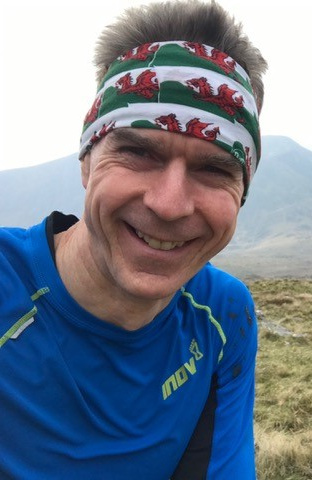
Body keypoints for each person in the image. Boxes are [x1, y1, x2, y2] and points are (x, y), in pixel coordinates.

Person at [0, 1, 267, 478]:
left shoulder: (224, 314)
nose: (170, 204)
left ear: (242, 194)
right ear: (87, 160)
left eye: (214, 169)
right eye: (139, 152)